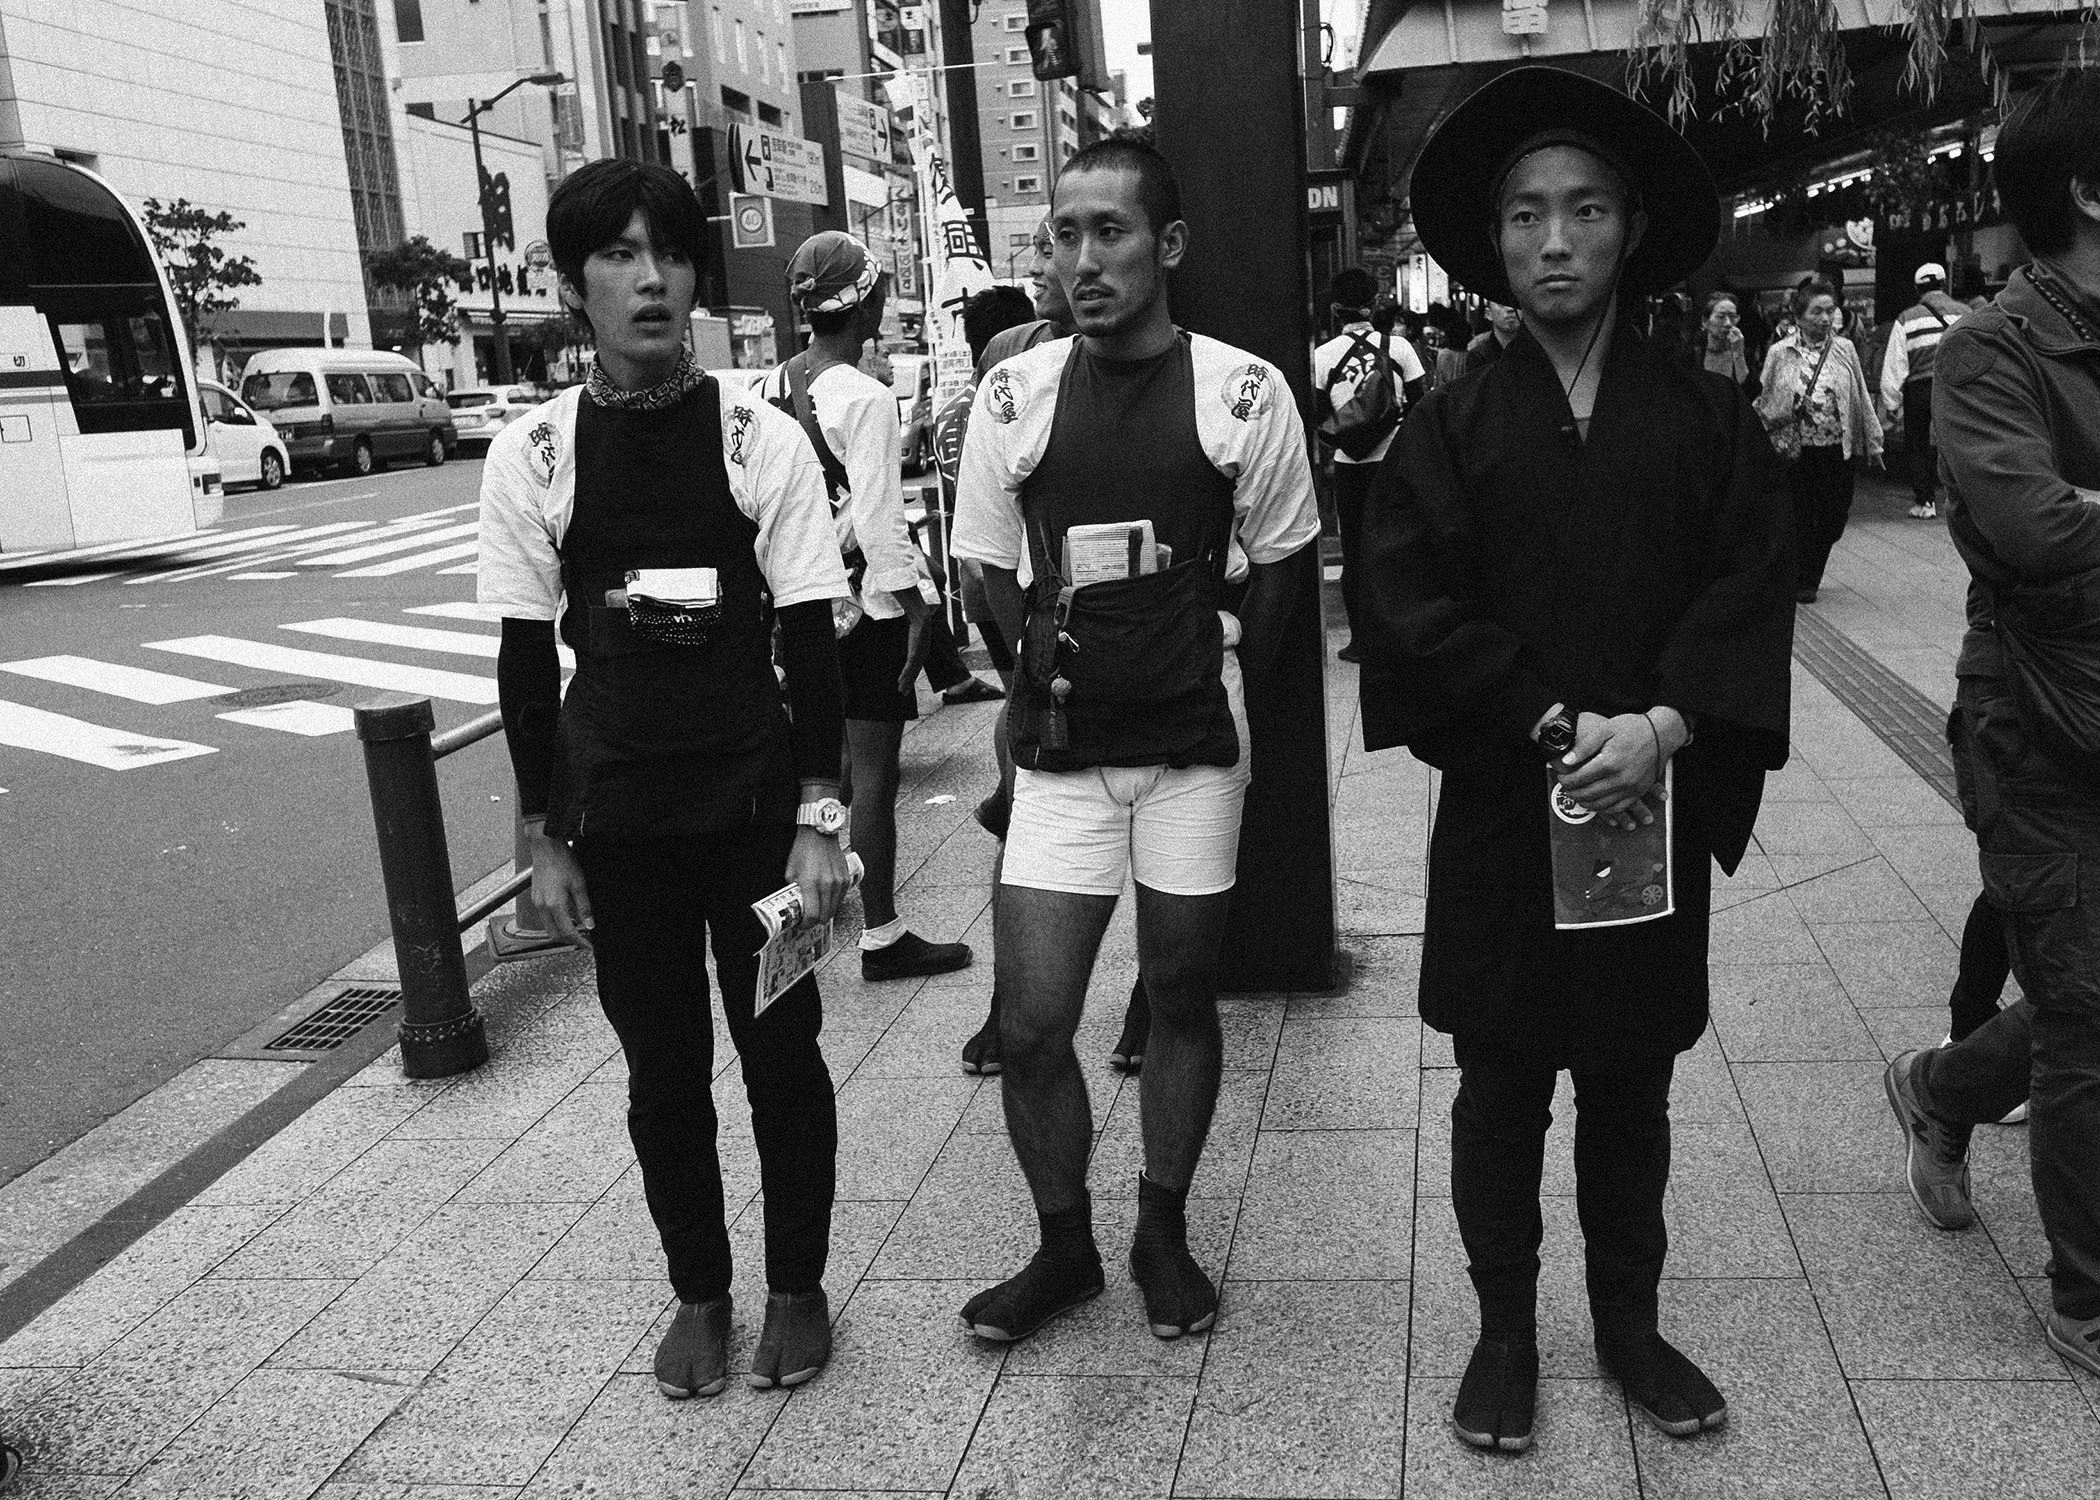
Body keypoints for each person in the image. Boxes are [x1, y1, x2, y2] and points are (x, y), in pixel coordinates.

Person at [1360, 66, 1794, 1453]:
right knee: (1498, 1087)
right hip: (1508, 799)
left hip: (1647, 808)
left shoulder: (1704, 415)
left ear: (1629, 230)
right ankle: (1502, 1329)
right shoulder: (1450, 421)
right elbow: (1411, 606)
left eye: (1587, 211)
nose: (1556, 240)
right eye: (1530, 215)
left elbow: (1750, 585)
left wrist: (1661, 728)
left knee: (1630, 1082)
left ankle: (1627, 1320)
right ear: (1495, 242)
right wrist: (1551, 726)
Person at [478, 159, 852, 1399]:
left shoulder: (762, 437)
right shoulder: (532, 455)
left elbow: (811, 634)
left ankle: (798, 1283)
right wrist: (543, 837)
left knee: (783, 1052)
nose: (652, 279)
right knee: (659, 1074)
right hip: (621, 820)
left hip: (758, 815)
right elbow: (526, 661)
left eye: (673, 253)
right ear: (571, 284)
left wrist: (823, 821)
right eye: (621, 256)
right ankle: (702, 1288)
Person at [951, 131, 1319, 1344]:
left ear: (1166, 246)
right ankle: (1066, 1249)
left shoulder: (1244, 392)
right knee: (1030, 1022)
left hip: (1193, 758)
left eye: (1109, 232)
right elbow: (984, 565)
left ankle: (1161, 1228)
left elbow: (1281, 568)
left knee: (1177, 994)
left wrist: (1211, 682)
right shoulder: (1012, 394)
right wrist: (1035, 676)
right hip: (1061, 758)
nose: (1082, 259)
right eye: (1063, 235)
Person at [1881, 64, 2100, 1384]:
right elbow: (2028, 529)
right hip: (2037, 724)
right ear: (2085, 189)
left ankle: (1945, 1085)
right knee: (2087, 1013)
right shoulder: (1990, 350)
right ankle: (2088, 1294)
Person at [758, 232, 973, 982]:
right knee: (873, 775)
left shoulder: (770, 386)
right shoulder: (868, 396)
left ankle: (813, 895)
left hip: (797, 605)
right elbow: (882, 523)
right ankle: (882, 933)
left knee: (820, 763)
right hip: (866, 609)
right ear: (872, 302)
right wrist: (919, 609)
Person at [1311, 267, 1427, 663]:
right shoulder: (1401, 348)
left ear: (1336, 309)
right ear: (1374, 304)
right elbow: (1421, 405)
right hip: (1394, 461)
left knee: (1355, 551)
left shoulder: (1321, 357)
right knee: (1399, 547)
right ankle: (1403, 632)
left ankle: (1361, 640)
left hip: (1349, 466)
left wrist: (1347, 439)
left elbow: (1321, 419)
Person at [1756, 277, 1880, 604]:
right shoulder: (1779, 353)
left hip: (1838, 447)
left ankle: (1808, 567)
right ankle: (1806, 579)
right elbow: (1766, 400)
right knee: (1800, 512)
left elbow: (1860, 395)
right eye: (1817, 312)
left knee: (1834, 515)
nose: (1825, 319)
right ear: (1799, 316)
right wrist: (1792, 406)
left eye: (1830, 311)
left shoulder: (1845, 349)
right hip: (1797, 449)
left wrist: (1874, 439)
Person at [1879, 262, 1972, 520]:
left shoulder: (1907, 318)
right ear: (1943, 284)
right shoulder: (1964, 313)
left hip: (1919, 390)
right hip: (1954, 387)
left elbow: (1896, 364)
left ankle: (1925, 502)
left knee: (1917, 444)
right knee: (1956, 442)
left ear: (1918, 288)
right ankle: (1965, 499)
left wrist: (1891, 403)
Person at [1693, 290, 1753, 391]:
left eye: (1733, 317)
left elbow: (1750, 393)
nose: (1728, 323)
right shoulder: (1693, 355)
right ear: (1705, 322)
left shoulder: (1744, 354)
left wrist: (1738, 354)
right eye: (1721, 317)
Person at [1464, 300, 1524, 373]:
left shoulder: (1534, 349)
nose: (1510, 309)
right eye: (1501, 304)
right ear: (1488, 314)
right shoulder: (1479, 356)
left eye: (1515, 304)